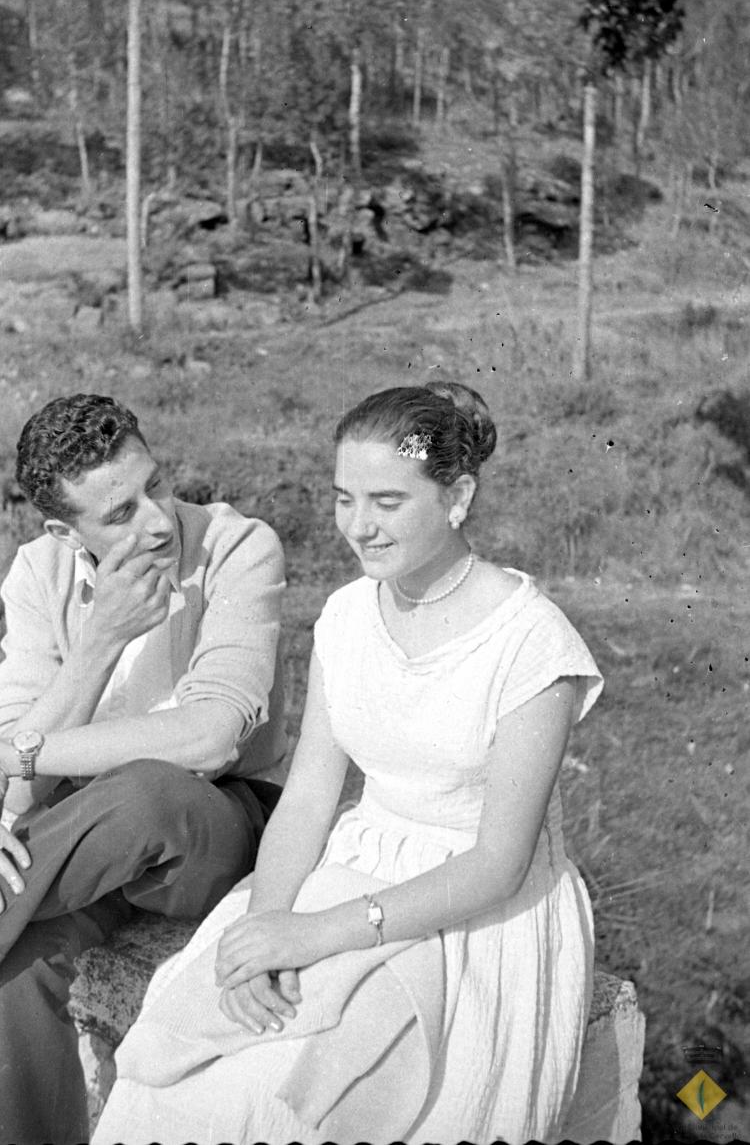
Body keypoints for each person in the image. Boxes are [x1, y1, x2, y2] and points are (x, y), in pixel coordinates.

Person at [93, 381, 603, 1145]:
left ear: (457, 495)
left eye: (388, 502)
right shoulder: (347, 614)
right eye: (343, 499)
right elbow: (306, 798)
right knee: (171, 1067)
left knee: (289, 1094)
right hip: (355, 863)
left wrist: (318, 935)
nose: (359, 527)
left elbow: (499, 862)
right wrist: (265, 928)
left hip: (468, 910)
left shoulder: (531, 643)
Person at [0, 393, 286, 1145]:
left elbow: (211, 738)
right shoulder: (38, 573)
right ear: (67, 533)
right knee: (15, 976)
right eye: (120, 513)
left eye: (155, 485)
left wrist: (20, 755)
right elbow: (19, 790)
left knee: (146, 785)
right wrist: (98, 644)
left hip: (210, 827)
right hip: (89, 843)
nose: (157, 520)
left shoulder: (236, 546)